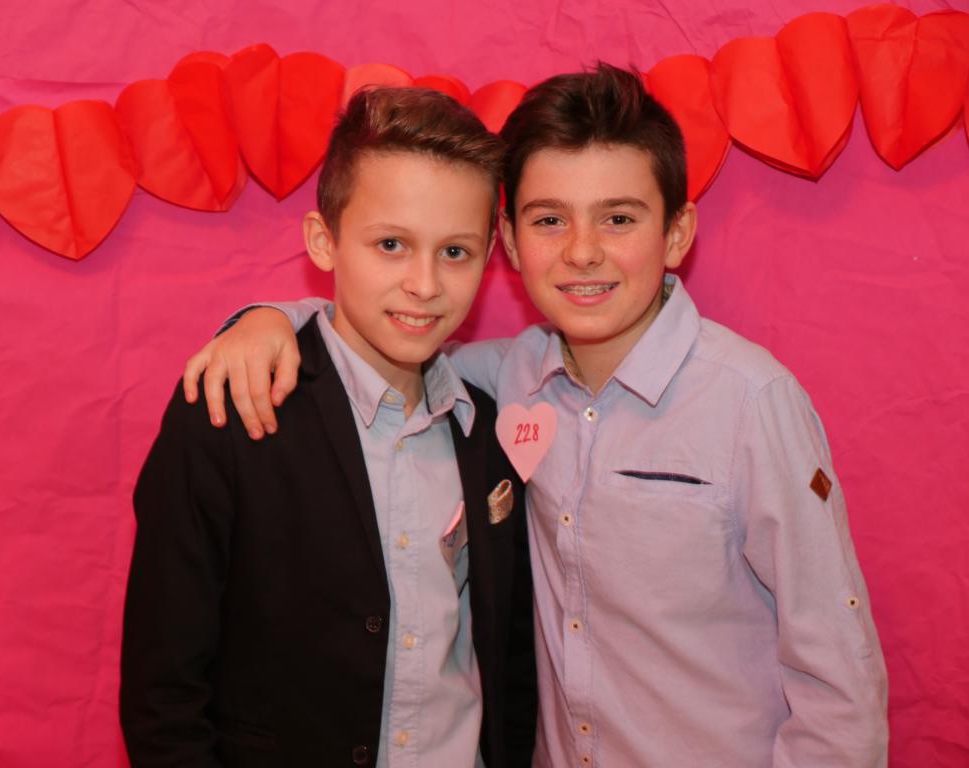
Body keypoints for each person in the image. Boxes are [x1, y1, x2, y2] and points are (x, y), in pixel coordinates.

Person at [183, 64, 888, 766]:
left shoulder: (751, 403)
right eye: (550, 220)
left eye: (619, 219)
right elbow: (382, 333)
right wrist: (271, 319)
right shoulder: (504, 377)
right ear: (512, 245)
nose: (582, 251)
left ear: (677, 234)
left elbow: (838, 679)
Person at [120, 86, 536, 768]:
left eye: (456, 252)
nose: (425, 284)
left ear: (491, 252)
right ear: (324, 240)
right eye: (391, 244)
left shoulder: (486, 430)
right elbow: (164, 693)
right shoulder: (233, 406)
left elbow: (508, 659)